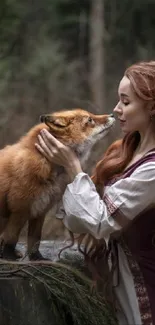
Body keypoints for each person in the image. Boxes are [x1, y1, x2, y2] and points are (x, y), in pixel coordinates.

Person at [35, 61, 155, 325]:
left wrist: (72, 165)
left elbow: (101, 222)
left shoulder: (153, 170)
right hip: (117, 286)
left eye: (125, 102)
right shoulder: (127, 152)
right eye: (118, 100)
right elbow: (80, 219)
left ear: (152, 106)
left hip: (145, 290)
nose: (116, 109)